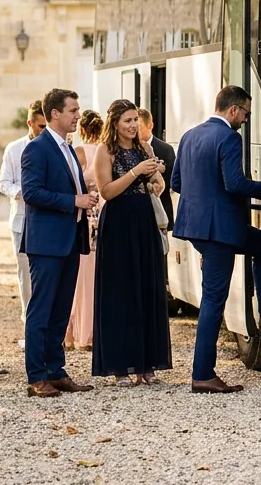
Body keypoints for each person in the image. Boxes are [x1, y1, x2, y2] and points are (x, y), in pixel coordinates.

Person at [172, 85, 261, 393]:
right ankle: (202, 374)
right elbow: (234, 184)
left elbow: (177, 182)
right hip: (220, 232)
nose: (246, 118)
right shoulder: (230, 138)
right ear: (233, 110)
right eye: (246, 112)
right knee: (212, 300)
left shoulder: (190, 135)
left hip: (199, 228)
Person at [20, 89, 98, 398]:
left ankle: (56, 370)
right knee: (41, 309)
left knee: (61, 309)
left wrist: (84, 194)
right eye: (73, 110)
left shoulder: (67, 148)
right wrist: (74, 200)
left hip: (69, 239)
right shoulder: (37, 149)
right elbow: (32, 193)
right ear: (54, 113)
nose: (79, 115)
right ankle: (36, 375)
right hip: (46, 242)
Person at [92, 100, 172, 385]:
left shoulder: (144, 148)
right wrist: (136, 172)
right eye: (127, 121)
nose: (133, 125)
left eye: (135, 119)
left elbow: (159, 188)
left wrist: (154, 177)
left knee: (147, 288)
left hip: (143, 220)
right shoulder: (106, 151)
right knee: (120, 293)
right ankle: (119, 365)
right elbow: (107, 191)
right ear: (114, 123)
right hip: (118, 223)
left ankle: (146, 363)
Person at [0, 100, 47, 341]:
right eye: (40, 126)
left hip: (49, 221)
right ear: (30, 123)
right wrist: (26, 192)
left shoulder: (57, 146)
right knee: (26, 278)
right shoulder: (14, 149)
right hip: (21, 221)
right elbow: (3, 183)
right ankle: (30, 331)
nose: (44, 131)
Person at [65, 110, 103, 351]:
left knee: (81, 280)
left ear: (83, 130)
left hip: (85, 219)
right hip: (101, 218)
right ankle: (90, 332)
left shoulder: (78, 152)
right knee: (96, 279)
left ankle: (73, 335)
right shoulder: (106, 152)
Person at [138, 108, 175, 233]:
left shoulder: (166, 149)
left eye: (140, 127)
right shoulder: (128, 148)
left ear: (150, 126)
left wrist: (159, 172)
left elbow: (173, 180)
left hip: (160, 207)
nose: (135, 130)